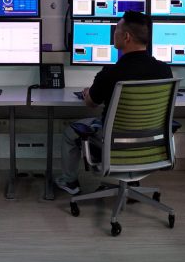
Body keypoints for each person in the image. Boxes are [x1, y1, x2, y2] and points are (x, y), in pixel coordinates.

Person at [53, 10, 172, 195]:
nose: (112, 34)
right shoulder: (164, 70)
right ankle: (132, 179)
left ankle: (69, 182)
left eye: (115, 30)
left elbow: (91, 103)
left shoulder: (111, 72)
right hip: (148, 144)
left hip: (114, 141)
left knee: (70, 133)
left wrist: (87, 93)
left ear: (126, 37)